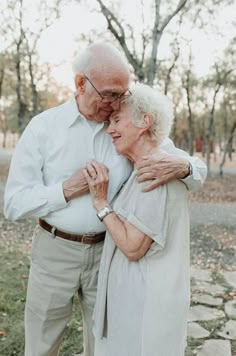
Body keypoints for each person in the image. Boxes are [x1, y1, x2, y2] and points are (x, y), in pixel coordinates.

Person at [4, 42, 206, 356]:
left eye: (121, 95)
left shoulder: (127, 126)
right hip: (55, 250)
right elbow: (13, 203)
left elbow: (192, 165)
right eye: (109, 94)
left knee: (104, 344)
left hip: (108, 253)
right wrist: (66, 189)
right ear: (80, 84)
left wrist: (185, 165)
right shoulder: (43, 128)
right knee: (41, 343)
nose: (114, 104)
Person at [84, 82, 190, 356]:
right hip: (132, 303)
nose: (110, 130)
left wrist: (100, 202)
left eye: (117, 120)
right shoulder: (145, 167)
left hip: (143, 309)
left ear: (145, 121)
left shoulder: (153, 173)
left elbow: (132, 247)